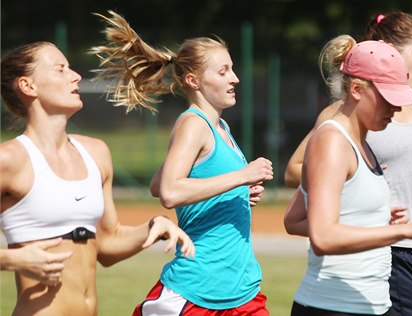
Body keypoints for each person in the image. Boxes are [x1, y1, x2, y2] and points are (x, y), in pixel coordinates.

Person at [90, 11, 274, 315]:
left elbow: (156, 184)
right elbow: (169, 192)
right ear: (193, 80)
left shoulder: (221, 128)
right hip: (198, 288)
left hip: (243, 289)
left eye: (233, 69)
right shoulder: (193, 124)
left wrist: (238, 192)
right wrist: (240, 177)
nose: (235, 78)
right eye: (224, 71)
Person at [284, 12, 412, 316]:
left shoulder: (363, 145)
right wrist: (404, 231)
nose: (395, 107)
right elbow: (323, 236)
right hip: (332, 307)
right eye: (387, 97)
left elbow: (293, 220)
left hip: (368, 304)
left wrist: (376, 220)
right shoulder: (332, 141)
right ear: (357, 90)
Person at [0, 41, 194, 316]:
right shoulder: (9, 159)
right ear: (28, 86)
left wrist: (155, 225)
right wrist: (13, 259)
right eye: (60, 69)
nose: (75, 75)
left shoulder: (96, 153)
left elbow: (107, 244)